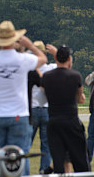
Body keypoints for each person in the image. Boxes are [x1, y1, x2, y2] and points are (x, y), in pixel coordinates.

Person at [0, 20, 46, 158]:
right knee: (20, 157)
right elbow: (43, 58)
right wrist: (29, 45)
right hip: (19, 114)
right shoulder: (23, 59)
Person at [41, 45, 90, 173]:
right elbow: (80, 99)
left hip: (54, 121)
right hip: (71, 121)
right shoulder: (75, 76)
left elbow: (45, 94)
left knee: (58, 162)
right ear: (69, 59)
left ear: (56, 58)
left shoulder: (47, 76)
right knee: (80, 159)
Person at [30, 41, 57, 174]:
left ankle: (24, 169)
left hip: (32, 109)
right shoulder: (50, 68)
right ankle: (43, 169)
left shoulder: (29, 68)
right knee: (46, 144)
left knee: (26, 143)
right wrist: (56, 53)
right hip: (46, 108)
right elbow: (65, 65)